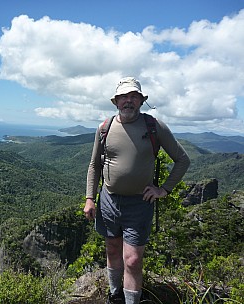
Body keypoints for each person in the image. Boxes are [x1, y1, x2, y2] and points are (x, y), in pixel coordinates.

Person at [84, 77, 190, 304]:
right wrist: (90, 198)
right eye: (124, 97)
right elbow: (95, 164)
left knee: (132, 260)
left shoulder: (155, 127)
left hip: (139, 203)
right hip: (109, 200)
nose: (128, 101)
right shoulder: (105, 128)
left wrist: (164, 190)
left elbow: (182, 160)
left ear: (141, 101)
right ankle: (114, 295)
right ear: (116, 102)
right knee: (112, 250)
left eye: (134, 96)